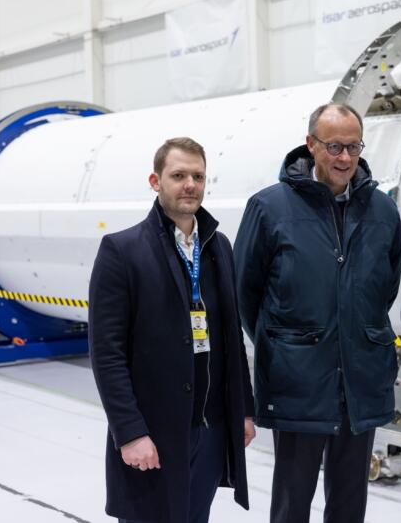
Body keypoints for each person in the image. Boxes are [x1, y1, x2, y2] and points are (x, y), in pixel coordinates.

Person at [234, 103, 401, 523]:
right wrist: (286, 345)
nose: (345, 158)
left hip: (359, 381)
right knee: (292, 503)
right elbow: (245, 293)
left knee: (349, 503)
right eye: (334, 147)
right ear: (311, 145)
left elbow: (384, 289)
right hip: (299, 383)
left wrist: (353, 333)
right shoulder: (269, 207)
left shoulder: (382, 210)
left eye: (353, 147)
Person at [89, 137, 256, 523]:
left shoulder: (218, 247)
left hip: (211, 429)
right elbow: (107, 354)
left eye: (198, 176)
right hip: (154, 432)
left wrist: (243, 410)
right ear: (156, 181)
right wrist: (130, 432)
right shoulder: (122, 251)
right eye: (178, 175)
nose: (190, 185)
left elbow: (231, 337)